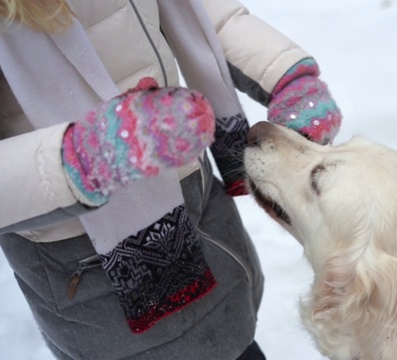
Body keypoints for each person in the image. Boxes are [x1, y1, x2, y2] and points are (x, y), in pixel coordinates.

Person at [0, 1, 341, 359]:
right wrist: (86, 157)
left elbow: (198, 11)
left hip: (203, 213)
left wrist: (283, 73)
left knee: (235, 340)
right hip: (93, 277)